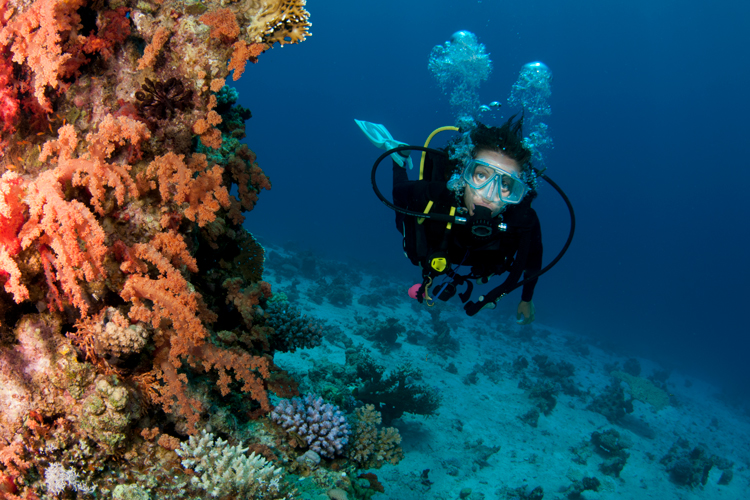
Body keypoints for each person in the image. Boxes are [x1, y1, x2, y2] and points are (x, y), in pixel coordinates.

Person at [390, 115, 542, 323]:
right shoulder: (436, 195)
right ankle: (399, 157)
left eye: (505, 185)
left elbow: (532, 259)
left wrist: (527, 299)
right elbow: (399, 192)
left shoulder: (522, 220)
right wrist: (398, 167)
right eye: (481, 175)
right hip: (439, 235)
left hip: (479, 260)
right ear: (464, 173)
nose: (488, 194)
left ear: (516, 192)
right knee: (407, 230)